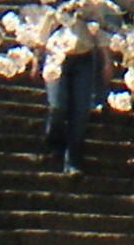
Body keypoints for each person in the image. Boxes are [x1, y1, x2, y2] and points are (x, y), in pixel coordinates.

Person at [42, 20, 110, 174]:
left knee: (80, 110)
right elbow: (43, 21)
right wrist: (36, 55)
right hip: (56, 53)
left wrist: (106, 59)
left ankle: (73, 160)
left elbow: (99, 26)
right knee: (57, 106)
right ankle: (54, 142)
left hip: (84, 56)